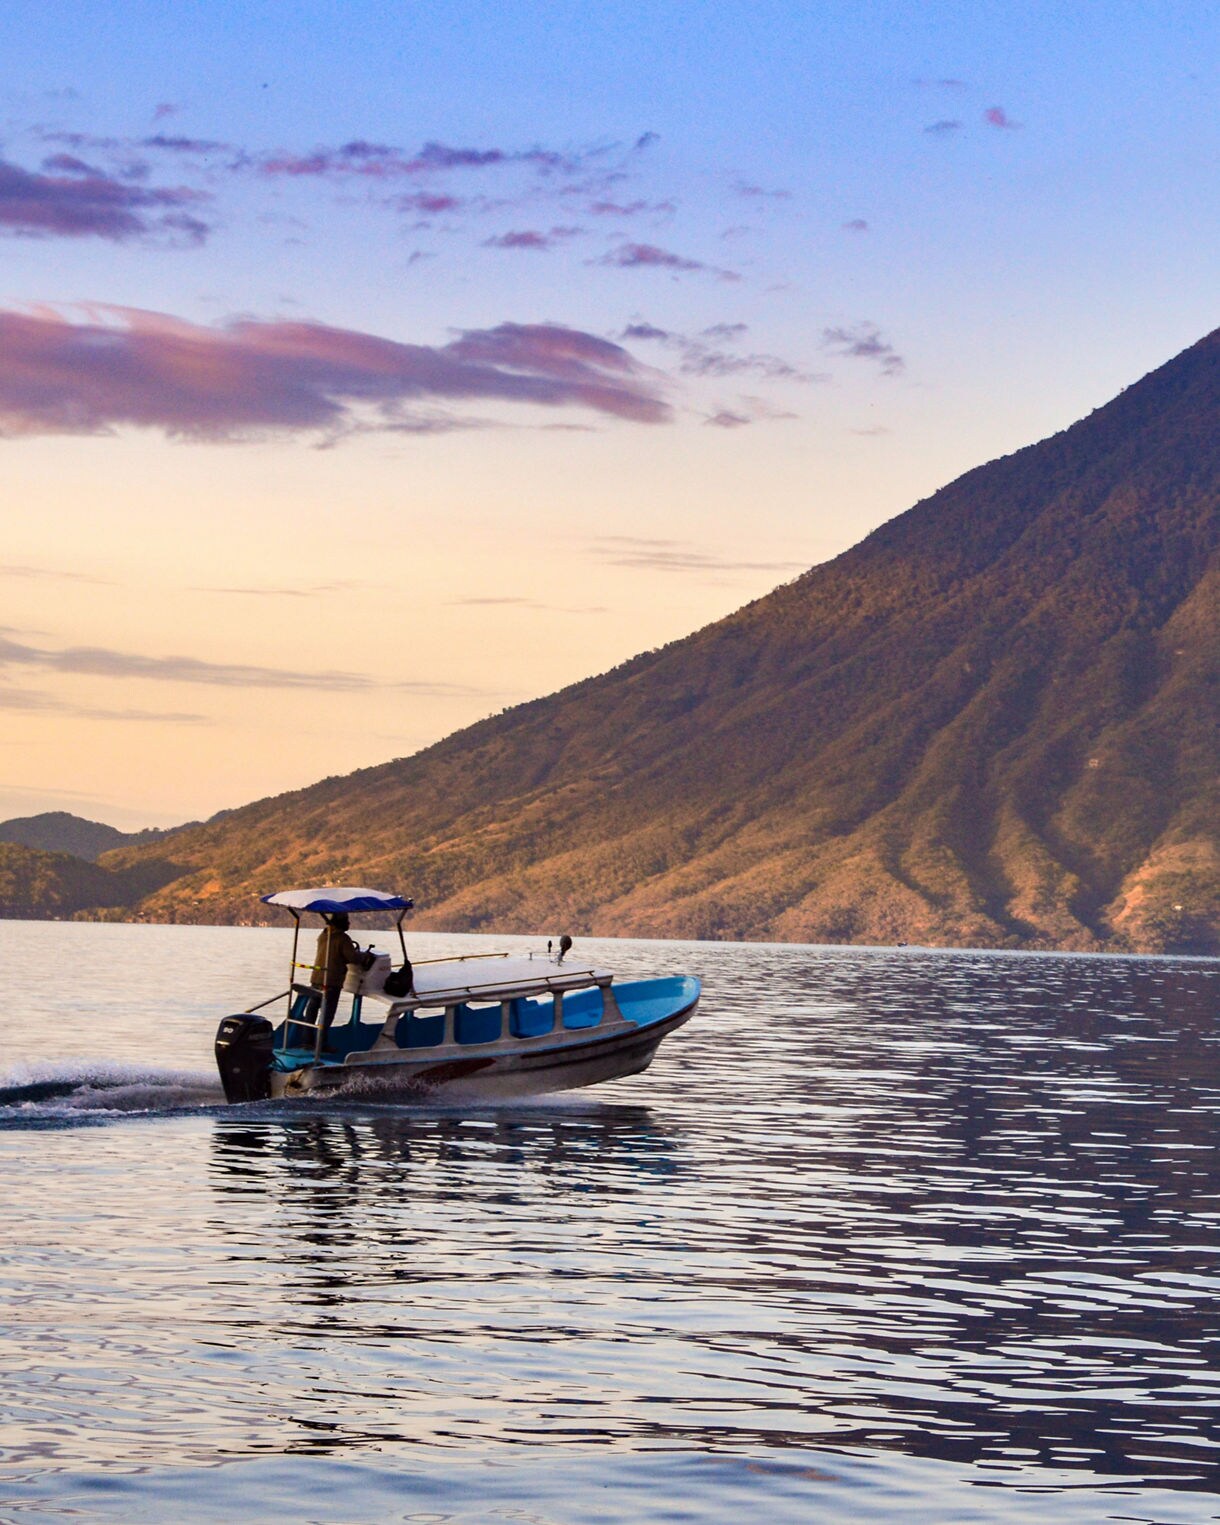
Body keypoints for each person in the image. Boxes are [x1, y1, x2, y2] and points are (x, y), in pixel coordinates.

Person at [305, 912, 361, 1046]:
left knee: (312, 1010)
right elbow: (352, 958)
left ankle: (307, 1041)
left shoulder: (323, 935)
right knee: (327, 1013)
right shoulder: (343, 938)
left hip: (316, 978)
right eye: (346, 920)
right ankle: (321, 1044)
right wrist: (363, 956)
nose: (349, 923)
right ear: (340, 922)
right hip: (331, 981)